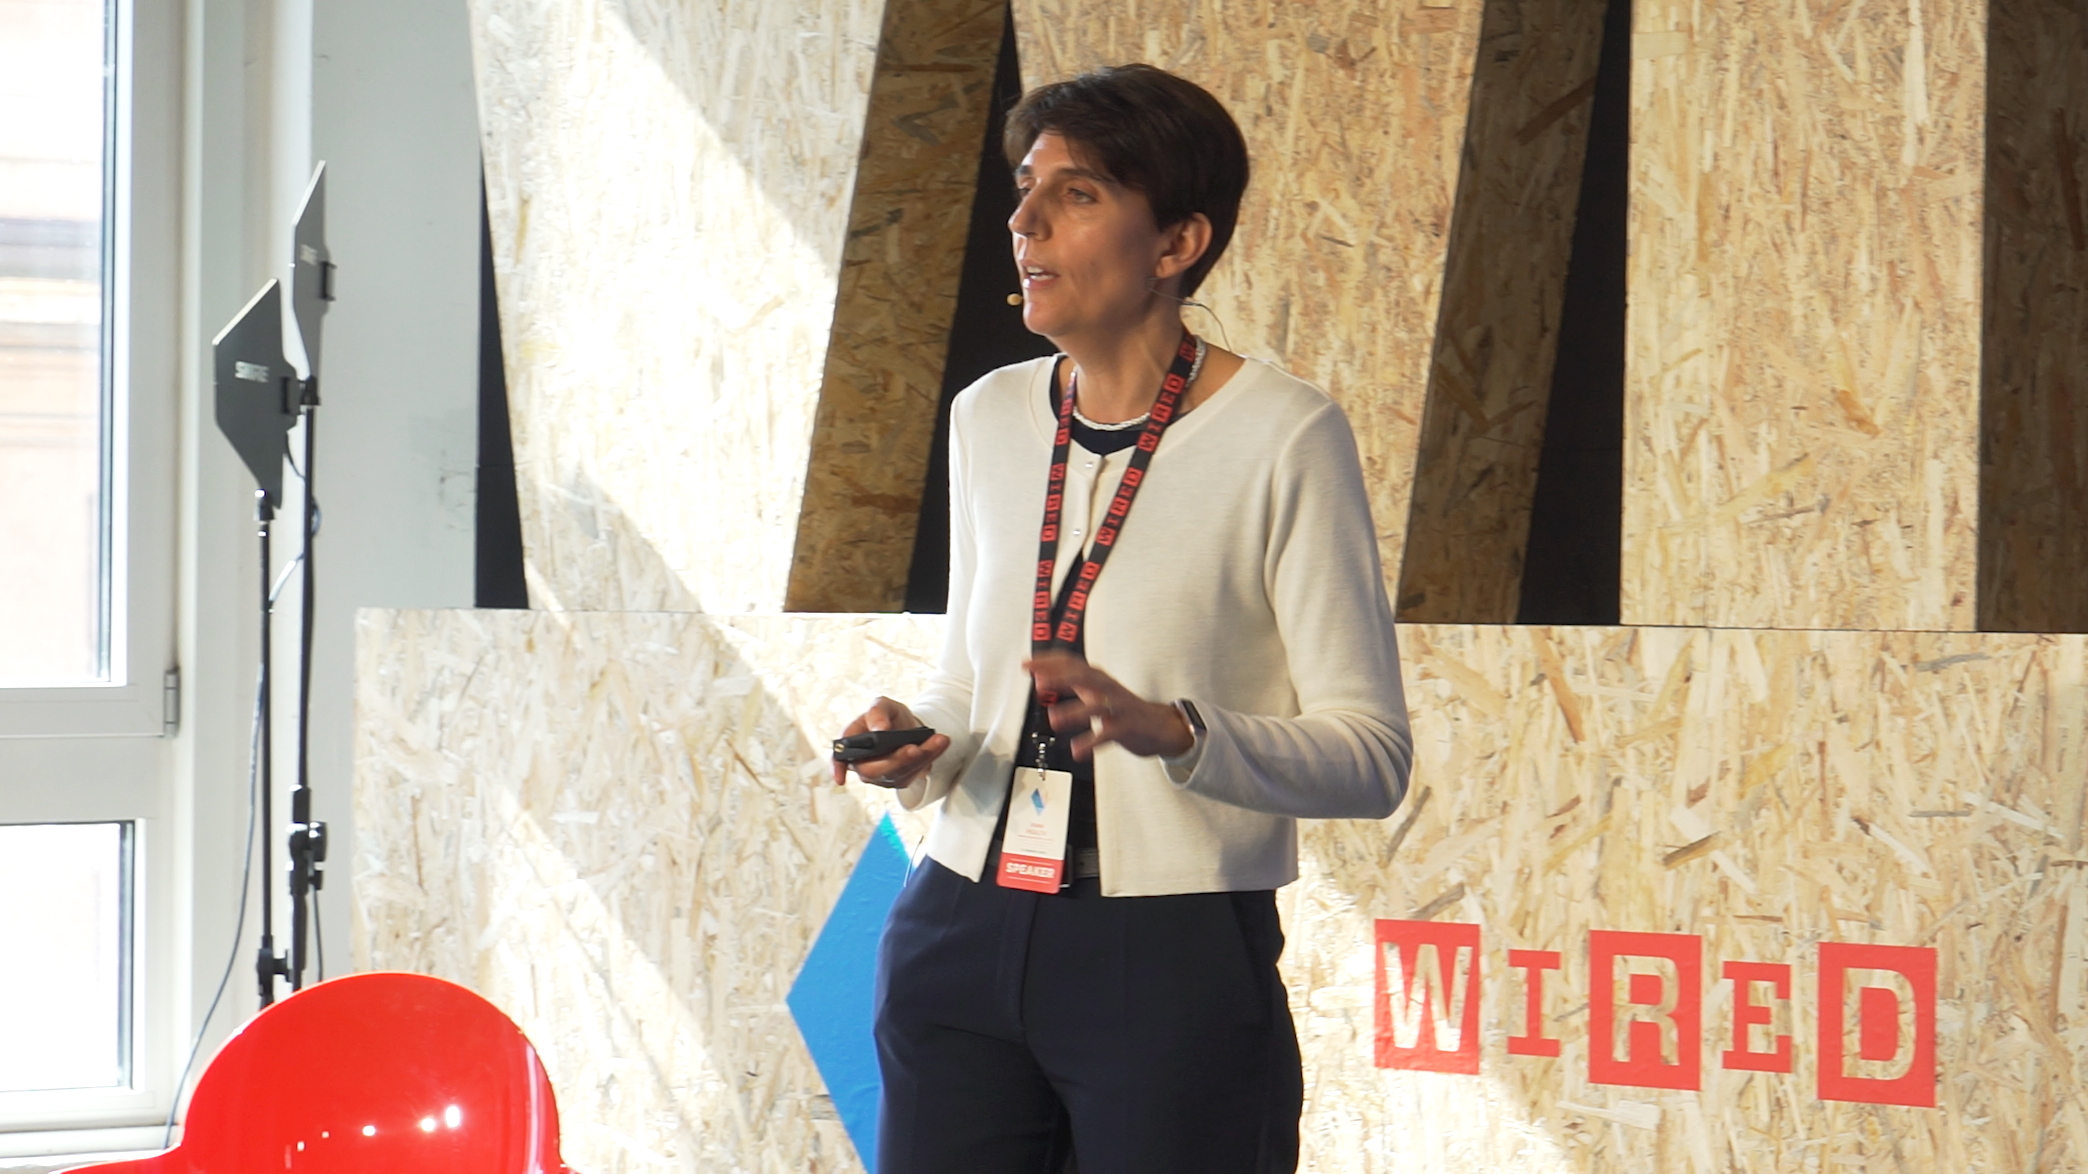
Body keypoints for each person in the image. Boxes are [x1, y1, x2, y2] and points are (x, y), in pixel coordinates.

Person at [830, 63, 1413, 1174]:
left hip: (1169, 951)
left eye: (1078, 193)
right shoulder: (987, 415)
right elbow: (969, 681)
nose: (1025, 222)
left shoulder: (1285, 436)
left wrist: (1175, 731)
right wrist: (918, 738)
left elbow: (1372, 756)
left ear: (1177, 243)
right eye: (1026, 189)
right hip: (958, 922)